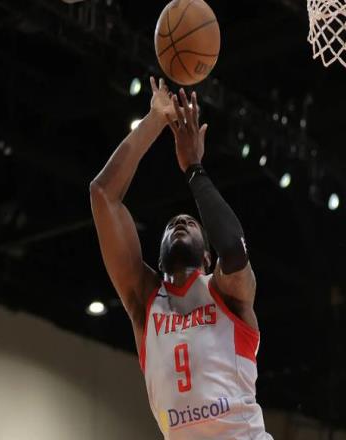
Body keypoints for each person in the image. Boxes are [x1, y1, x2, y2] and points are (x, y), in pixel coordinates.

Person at [90, 77, 272, 439]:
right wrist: (155, 119)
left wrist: (193, 168)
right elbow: (102, 195)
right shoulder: (145, 301)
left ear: (206, 256)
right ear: (158, 261)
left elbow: (234, 248)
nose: (180, 223)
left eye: (190, 222)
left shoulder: (226, 293)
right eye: (172, 224)